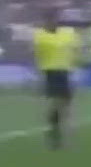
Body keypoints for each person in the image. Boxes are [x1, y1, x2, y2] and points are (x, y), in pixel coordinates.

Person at [32, 14, 81, 150]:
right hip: (51, 72)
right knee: (58, 103)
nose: (52, 23)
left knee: (65, 104)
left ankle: (60, 135)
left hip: (64, 72)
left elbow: (74, 49)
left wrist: (74, 62)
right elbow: (37, 53)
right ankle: (57, 133)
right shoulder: (40, 36)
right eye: (49, 20)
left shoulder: (66, 34)